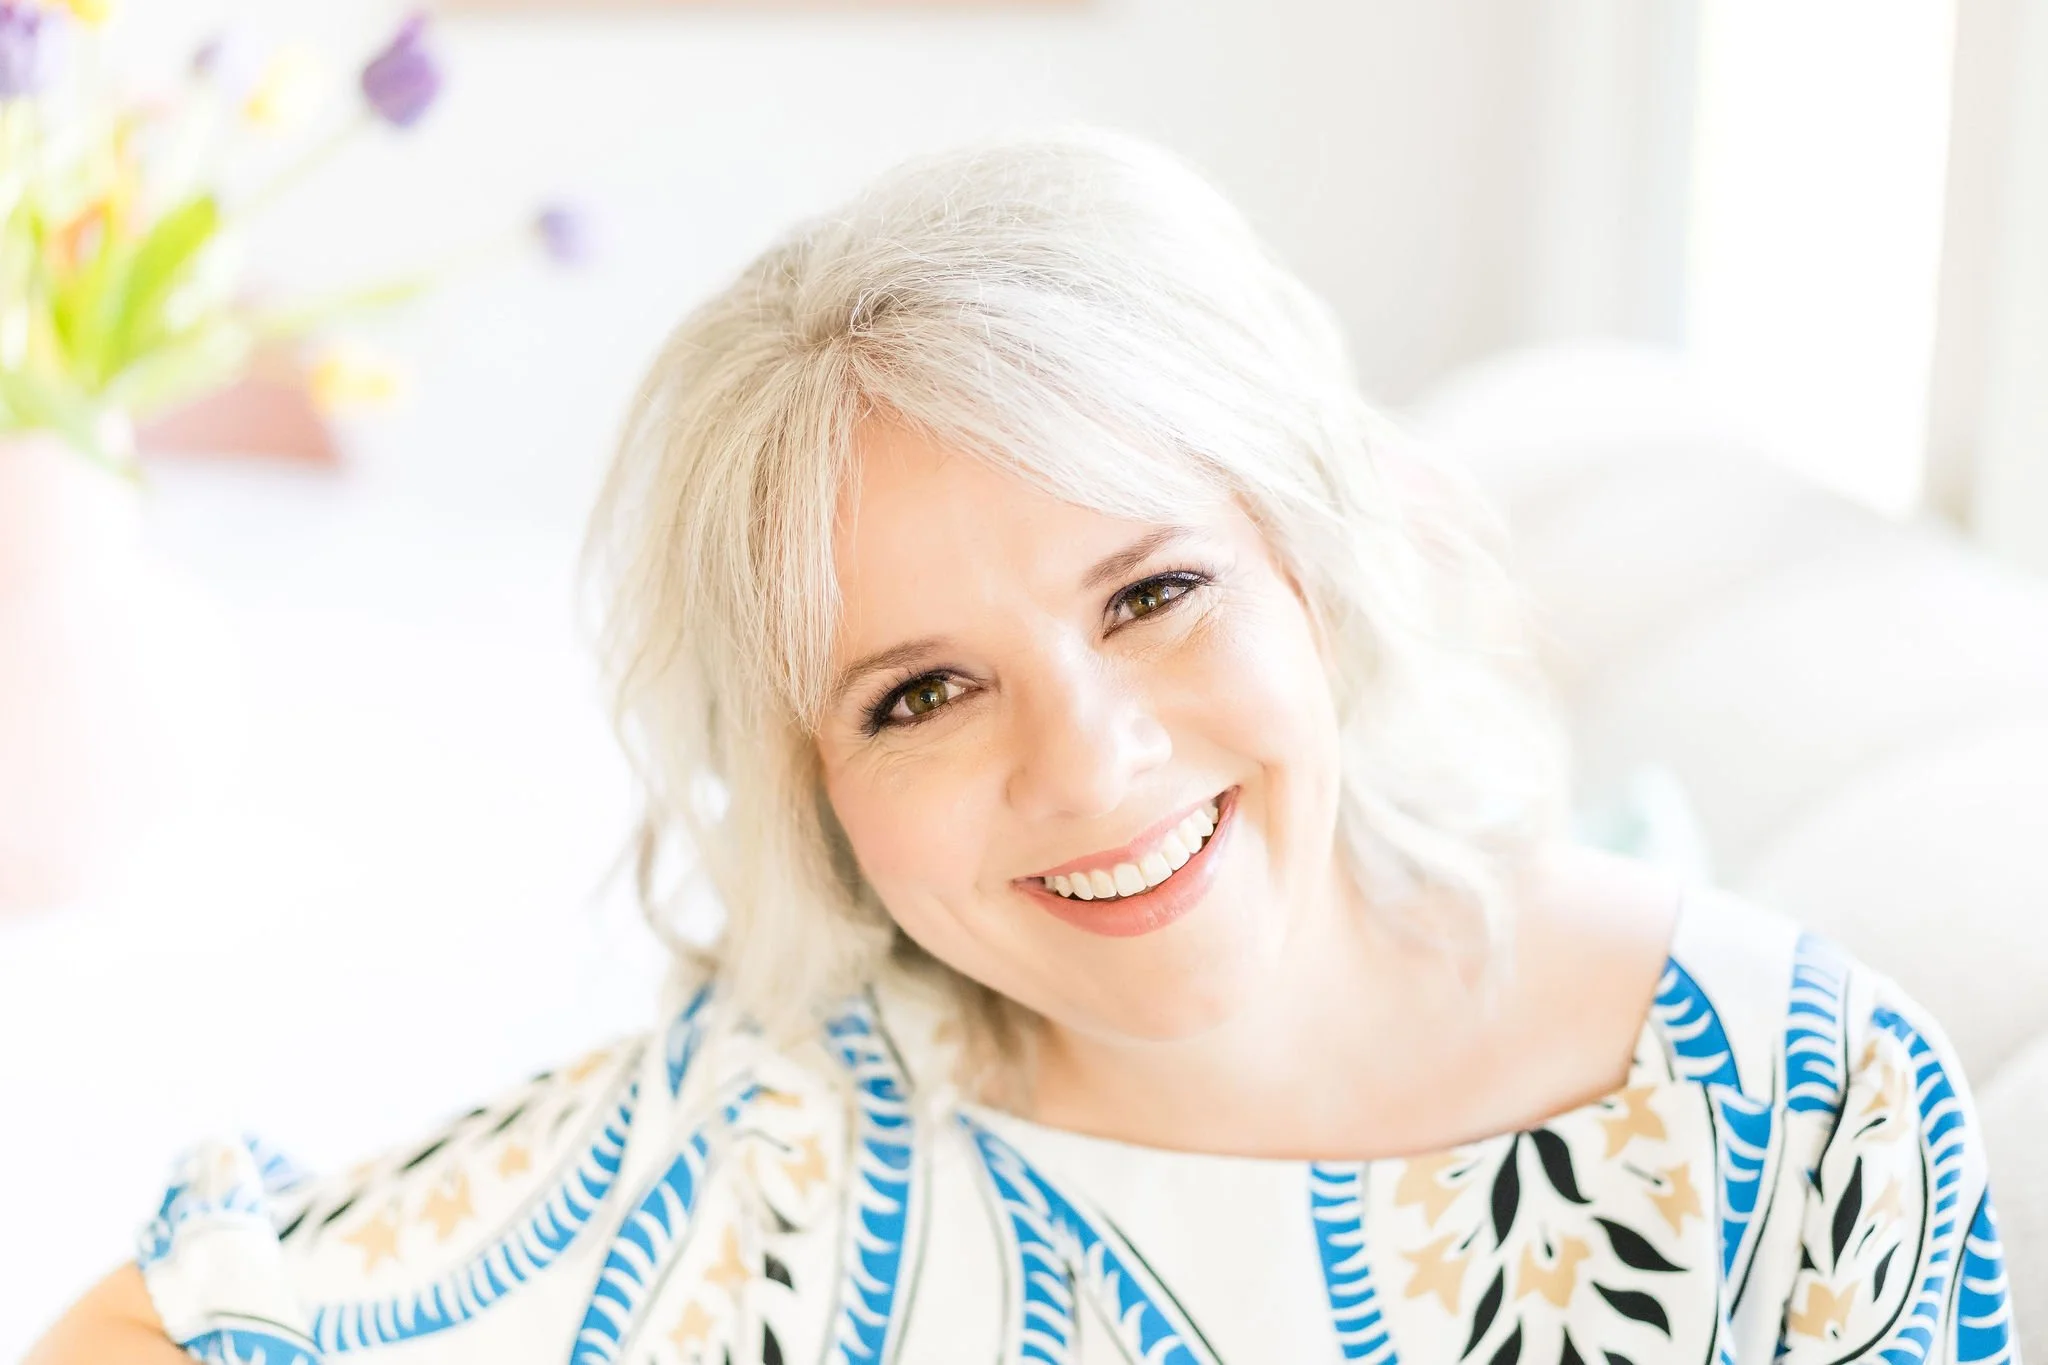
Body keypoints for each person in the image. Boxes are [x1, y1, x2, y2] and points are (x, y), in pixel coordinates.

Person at [31, 127, 2017, 1365]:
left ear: (1308, 567)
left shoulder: (1794, 1105)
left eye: (1153, 593)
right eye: (918, 693)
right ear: (818, 795)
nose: (1087, 762)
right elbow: (162, 1327)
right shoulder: (766, 1140)